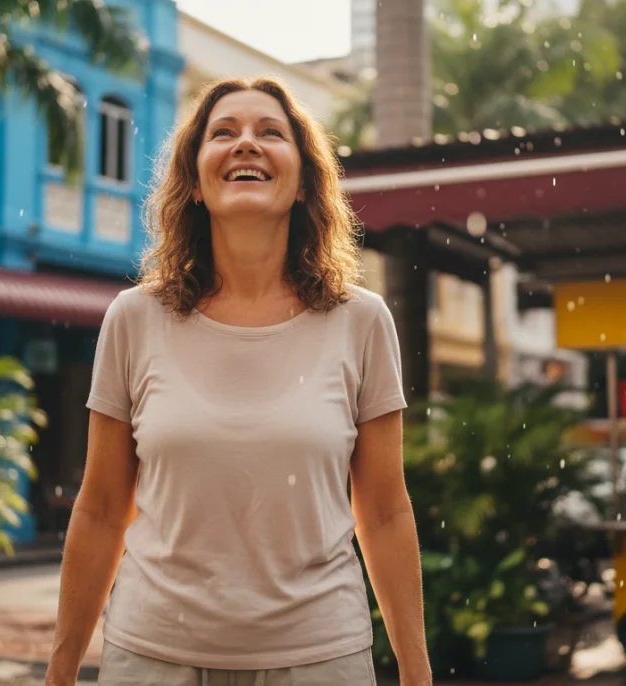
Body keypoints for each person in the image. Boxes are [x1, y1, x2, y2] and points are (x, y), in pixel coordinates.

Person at [45, 78, 431, 686]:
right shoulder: (134, 318)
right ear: (194, 183)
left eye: (270, 133)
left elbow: (382, 511)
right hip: (151, 657)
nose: (246, 144)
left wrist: (416, 671)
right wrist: (60, 672)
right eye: (223, 133)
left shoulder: (361, 322)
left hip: (319, 658)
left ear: (304, 181)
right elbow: (99, 509)